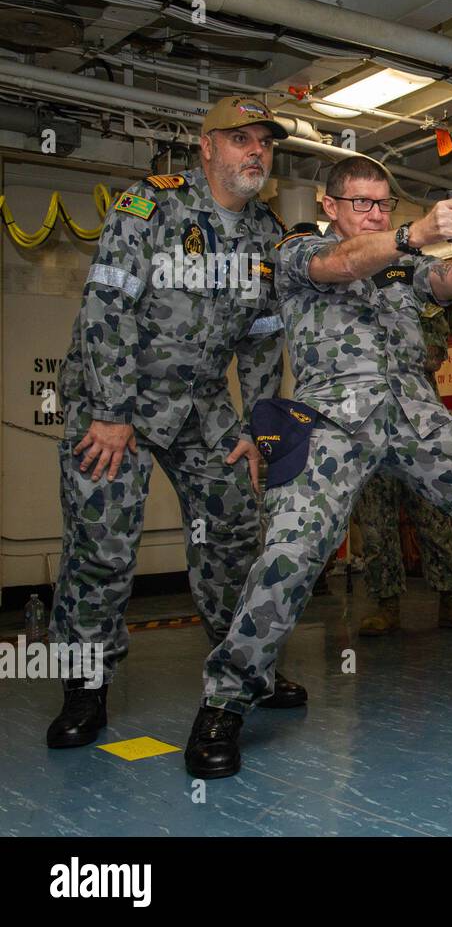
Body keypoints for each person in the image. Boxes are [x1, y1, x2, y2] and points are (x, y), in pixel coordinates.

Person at [185, 156, 452, 779]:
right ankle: (226, 698)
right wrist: (410, 232)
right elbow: (343, 263)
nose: (376, 214)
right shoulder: (299, 247)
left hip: (412, 408)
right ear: (330, 207)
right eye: (363, 204)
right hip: (331, 414)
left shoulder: (403, 264)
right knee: (292, 554)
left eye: (384, 204)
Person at [46, 96, 307, 751]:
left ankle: (246, 667)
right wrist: (108, 414)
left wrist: (254, 426)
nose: (256, 152)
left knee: (233, 532)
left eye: (265, 143)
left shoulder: (264, 235)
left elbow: (262, 337)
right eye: (241, 139)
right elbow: (107, 306)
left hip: (201, 403)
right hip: (118, 394)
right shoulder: (149, 206)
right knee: (102, 546)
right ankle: (85, 687)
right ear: (208, 147)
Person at [354, 300, 452, 636]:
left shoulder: (421, 302)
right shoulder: (351, 301)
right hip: (370, 427)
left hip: (418, 427)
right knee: (375, 525)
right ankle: (385, 604)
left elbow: (432, 356)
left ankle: (451, 597)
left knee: (433, 519)